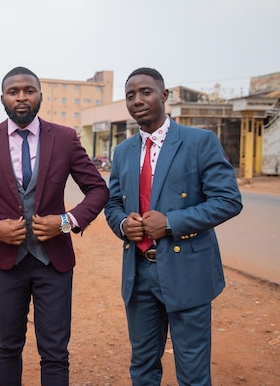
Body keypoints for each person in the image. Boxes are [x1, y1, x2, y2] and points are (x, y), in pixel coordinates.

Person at [0, 66, 109, 386]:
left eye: (29, 90)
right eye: (14, 91)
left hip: (54, 262)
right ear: (2, 99)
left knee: (54, 351)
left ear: (40, 95)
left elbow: (98, 189)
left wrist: (67, 221)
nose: (21, 97)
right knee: (8, 347)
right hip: (6, 263)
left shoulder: (65, 137)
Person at [104, 67, 243, 385]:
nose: (137, 100)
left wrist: (172, 223)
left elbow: (228, 200)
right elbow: (112, 204)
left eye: (146, 92)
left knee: (193, 371)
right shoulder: (124, 151)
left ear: (164, 96)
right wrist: (125, 224)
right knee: (142, 366)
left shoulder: (199, 142)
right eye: (130, 95)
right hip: (138, 273)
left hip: (187, 271)